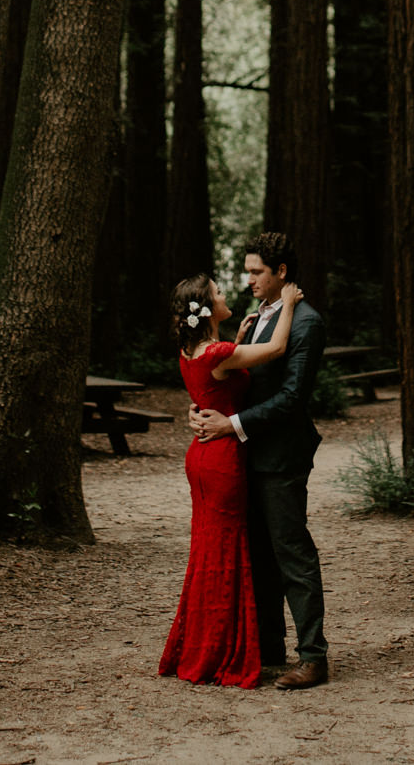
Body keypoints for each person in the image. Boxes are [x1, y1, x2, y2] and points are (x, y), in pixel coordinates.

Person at [188, 232, 329, 690]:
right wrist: (203, 408)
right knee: (258, 556)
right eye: (246, 271)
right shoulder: (258, 318)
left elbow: (291, 398)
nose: (247, 279)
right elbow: (232, 376)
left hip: (281, 455)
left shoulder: (305, 322)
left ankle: (314, 658)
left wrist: (231, 425)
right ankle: (268, 647)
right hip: (243, 456)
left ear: (281, 273)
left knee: (292, 553)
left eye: (256, 272)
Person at [157, 272, 303, 688]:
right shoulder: (218, 352)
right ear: (205, 308)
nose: (225, 295)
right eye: (218, 293)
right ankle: (222, 650)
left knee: (207, 551)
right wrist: (289, 301)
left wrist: (235, 336)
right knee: (226, 552)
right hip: (221, 458)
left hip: (200, 455)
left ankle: (201, 644)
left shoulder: (191, 350)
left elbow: (213, 385)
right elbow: (275, 349)